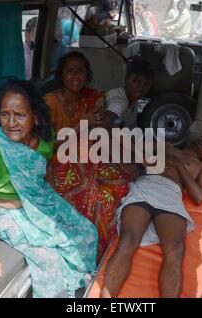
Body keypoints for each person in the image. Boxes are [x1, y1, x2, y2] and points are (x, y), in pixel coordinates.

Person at [0, 79, 98, 298]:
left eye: (20, 115)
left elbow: (44, 171)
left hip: (39, 202)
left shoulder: (45, 140)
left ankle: (77, 288)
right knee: (49, 260)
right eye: (5, 114)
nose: (11, 123)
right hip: (5, 211)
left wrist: (57, 204)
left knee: (87, 233)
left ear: (35, 117)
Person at [101, 133, 202, 298]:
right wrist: (144, 157)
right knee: (128, 239)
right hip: (146, 185)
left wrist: (179, 165)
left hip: (171, 193)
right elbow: (130, 144)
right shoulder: (166, 147)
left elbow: (199, 196)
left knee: (176, 249)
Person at [43, 52, 133, 261]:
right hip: (58, 163)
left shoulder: (91, 99)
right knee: (100, 198)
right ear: (61, 75)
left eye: (81, 72)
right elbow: (47, 146)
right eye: (70, 71)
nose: (76, 76)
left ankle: (112, 248)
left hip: (87, 159)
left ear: (87, 75)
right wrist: (82, 123)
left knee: (123, 183)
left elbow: (116, 99)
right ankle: (91, 254)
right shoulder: (49, 102)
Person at [101, 57, 154, 131]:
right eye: (136, 81)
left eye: (146, 84)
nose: (141, 87)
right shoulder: (120, 102)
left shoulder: (127, 95)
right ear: (126, 79)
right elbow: (102, 130)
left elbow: (120, 123)